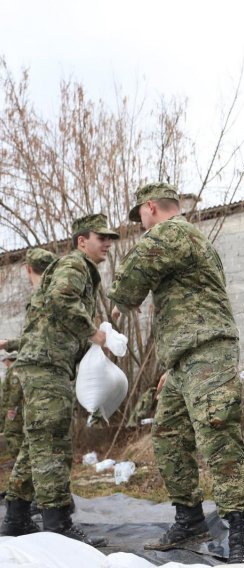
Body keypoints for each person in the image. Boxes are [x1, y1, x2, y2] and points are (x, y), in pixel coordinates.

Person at [107, 182, 244, 566]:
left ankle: (243, 536)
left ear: (150, 208)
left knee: (218, 438)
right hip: (184, 358)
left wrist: (115, 310)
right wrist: (170, 366)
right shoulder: (185, 240)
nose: (140, 225)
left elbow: (129, 282)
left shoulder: (171, 231)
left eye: (139, 218)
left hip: (207, 350)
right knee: (169, 435)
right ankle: (189, 519)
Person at [0, 216, 117, 545]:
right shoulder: (75, 265)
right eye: (101, 237)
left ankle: (17, 517)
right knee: (53, 442)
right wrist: (94, 332)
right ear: (82, 241)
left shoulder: (80, 270)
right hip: (46, 364)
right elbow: (61, 301)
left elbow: (60, 315)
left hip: (48, 364)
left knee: (35, 444)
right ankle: (57, 524)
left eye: (110, 238)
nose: (108, 243)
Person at [0, 248, 60, 464]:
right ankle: (22, 493)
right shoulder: (61, 294)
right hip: (56, 378)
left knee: (40, 439)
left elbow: (35, 340)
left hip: (42, 379)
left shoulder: (42, 298)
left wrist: (9, 344)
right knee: (45, 440)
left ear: (28, 269)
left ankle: (32, 494)